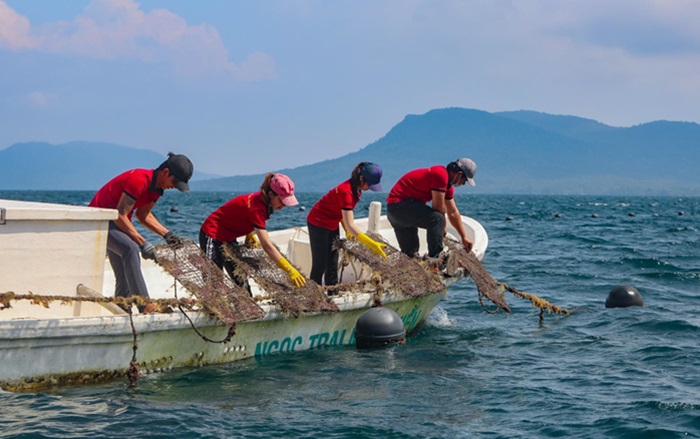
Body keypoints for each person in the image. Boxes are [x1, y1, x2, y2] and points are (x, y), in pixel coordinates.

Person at [89, 152, 193, 310]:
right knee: (130, 249)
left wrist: (168, 235)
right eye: (174, 181)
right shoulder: (139, 180)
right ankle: (145, 305)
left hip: (117, 224)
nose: (174, 187)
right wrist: (142, 243)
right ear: (165, 172)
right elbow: (120, 214)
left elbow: (143, 216)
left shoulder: (157, 190)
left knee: (125, 270)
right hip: (98, 222)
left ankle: (122, 307)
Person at [199, 173, 306, 288]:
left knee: (241, 279)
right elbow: (267, 246)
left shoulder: (263, 201)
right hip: (212, 234)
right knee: (213, 282)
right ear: (271, 194)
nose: (284, 204)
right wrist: (289, 270)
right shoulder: (257, 208)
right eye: (282, 200)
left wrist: (249, 232)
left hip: (228, 237)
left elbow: (240, 214)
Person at [306, 162, 386, 293]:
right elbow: (351, 225)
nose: (370, 188)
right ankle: (313, 297)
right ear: (361, 178)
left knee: (332, 263)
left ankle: (333, 294)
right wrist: (371, 244)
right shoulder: (346, 192)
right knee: (319, 265)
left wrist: (345, 227)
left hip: (332, 223)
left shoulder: (357, 190)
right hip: (317, 223)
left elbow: (342, 213)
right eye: (369, 184)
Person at [386, 158, 477, 259]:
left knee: (411, 255)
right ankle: (436, 260)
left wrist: (463, 237)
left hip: (397, 212)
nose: (463, 184)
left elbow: (453, 212)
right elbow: (438, 208)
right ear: (459, 175)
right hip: (400, 207)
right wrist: (441, 227)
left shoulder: (448, 187)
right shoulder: (440, 174)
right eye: (464, 181)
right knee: (437, 219)